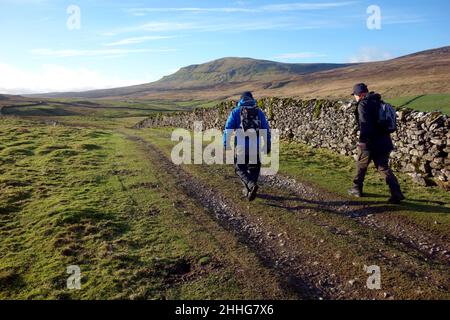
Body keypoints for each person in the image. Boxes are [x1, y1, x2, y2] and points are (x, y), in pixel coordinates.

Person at [348, 83, 405, 204]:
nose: (355, 98)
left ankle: (356, 189)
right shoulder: (379, 102)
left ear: (360, 94)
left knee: (361, 165)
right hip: (384, 142)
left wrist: (362, 141)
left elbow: (365, 124)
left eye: (356, 95)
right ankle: (396, 193)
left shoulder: (363, 104)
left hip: (369, 143)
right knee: (383, 168)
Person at [223, 92, 271, 201]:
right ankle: (250, 188)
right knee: (254, 169)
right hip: (256, 147)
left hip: (241, 147)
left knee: (240, 169)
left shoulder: (236, 112)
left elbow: (228, 129)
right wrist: (268, 143)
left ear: (241, 100)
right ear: (252, 99)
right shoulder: (258, 112)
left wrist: (226, 143)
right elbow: (266, 129)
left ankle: (250, 185)